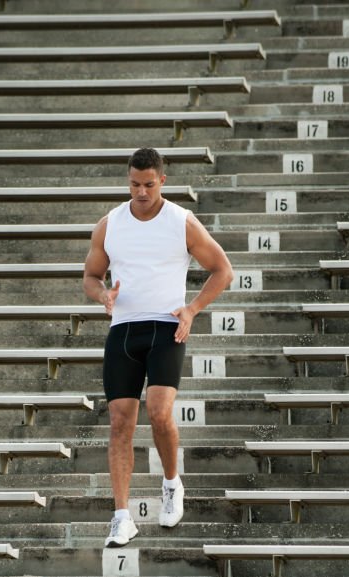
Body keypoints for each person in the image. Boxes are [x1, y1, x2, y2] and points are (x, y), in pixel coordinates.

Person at [83, 146, 234, 547]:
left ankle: (171, 484)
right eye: (134, 184)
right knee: (119, 423)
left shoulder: (181, 221)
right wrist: (102, 296)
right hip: (124, 332)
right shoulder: (109, 224)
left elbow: (223, 270)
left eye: (149, 184)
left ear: (162, 180)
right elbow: (90, 276)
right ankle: (121, 516)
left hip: (168, 328)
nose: (141, 192)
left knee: (161, 413)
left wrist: (193, 309)